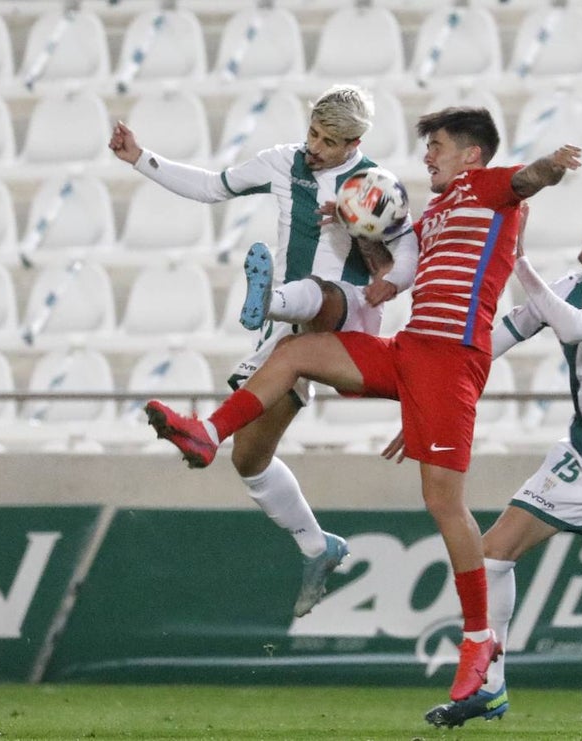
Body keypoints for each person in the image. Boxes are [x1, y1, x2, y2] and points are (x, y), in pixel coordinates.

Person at [141, 106, 582, 704]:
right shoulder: (437, 210)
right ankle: (206, 434)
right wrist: (360, 237)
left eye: (439, 146)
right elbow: (400, 267)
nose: (427, 155)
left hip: (452, 362)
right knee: (299, 354)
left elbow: (526, 180)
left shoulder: (489, 187)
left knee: (443, 503)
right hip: (412, 350)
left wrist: (552, 166)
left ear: (471, 155)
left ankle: (479, 640)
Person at [108, 84, 419, 620]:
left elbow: (407, 254)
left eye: (330, 140)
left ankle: (267, 298)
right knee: (250, 458)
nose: (315, 146)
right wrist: (141, 158)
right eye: (313, 134)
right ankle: (319, 547)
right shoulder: (282, 162)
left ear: (356, 142)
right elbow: (211, 187)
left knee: (319, 293)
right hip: (290, 333)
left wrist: (384, 273)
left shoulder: (374, 186)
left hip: (348, 316)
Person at [406, 199, 582, 733]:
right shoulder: (565, 287)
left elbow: (580, 328)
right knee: (492, 554)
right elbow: (493, 343)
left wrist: (518, 260)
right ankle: (489, 690)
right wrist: (432, 394)